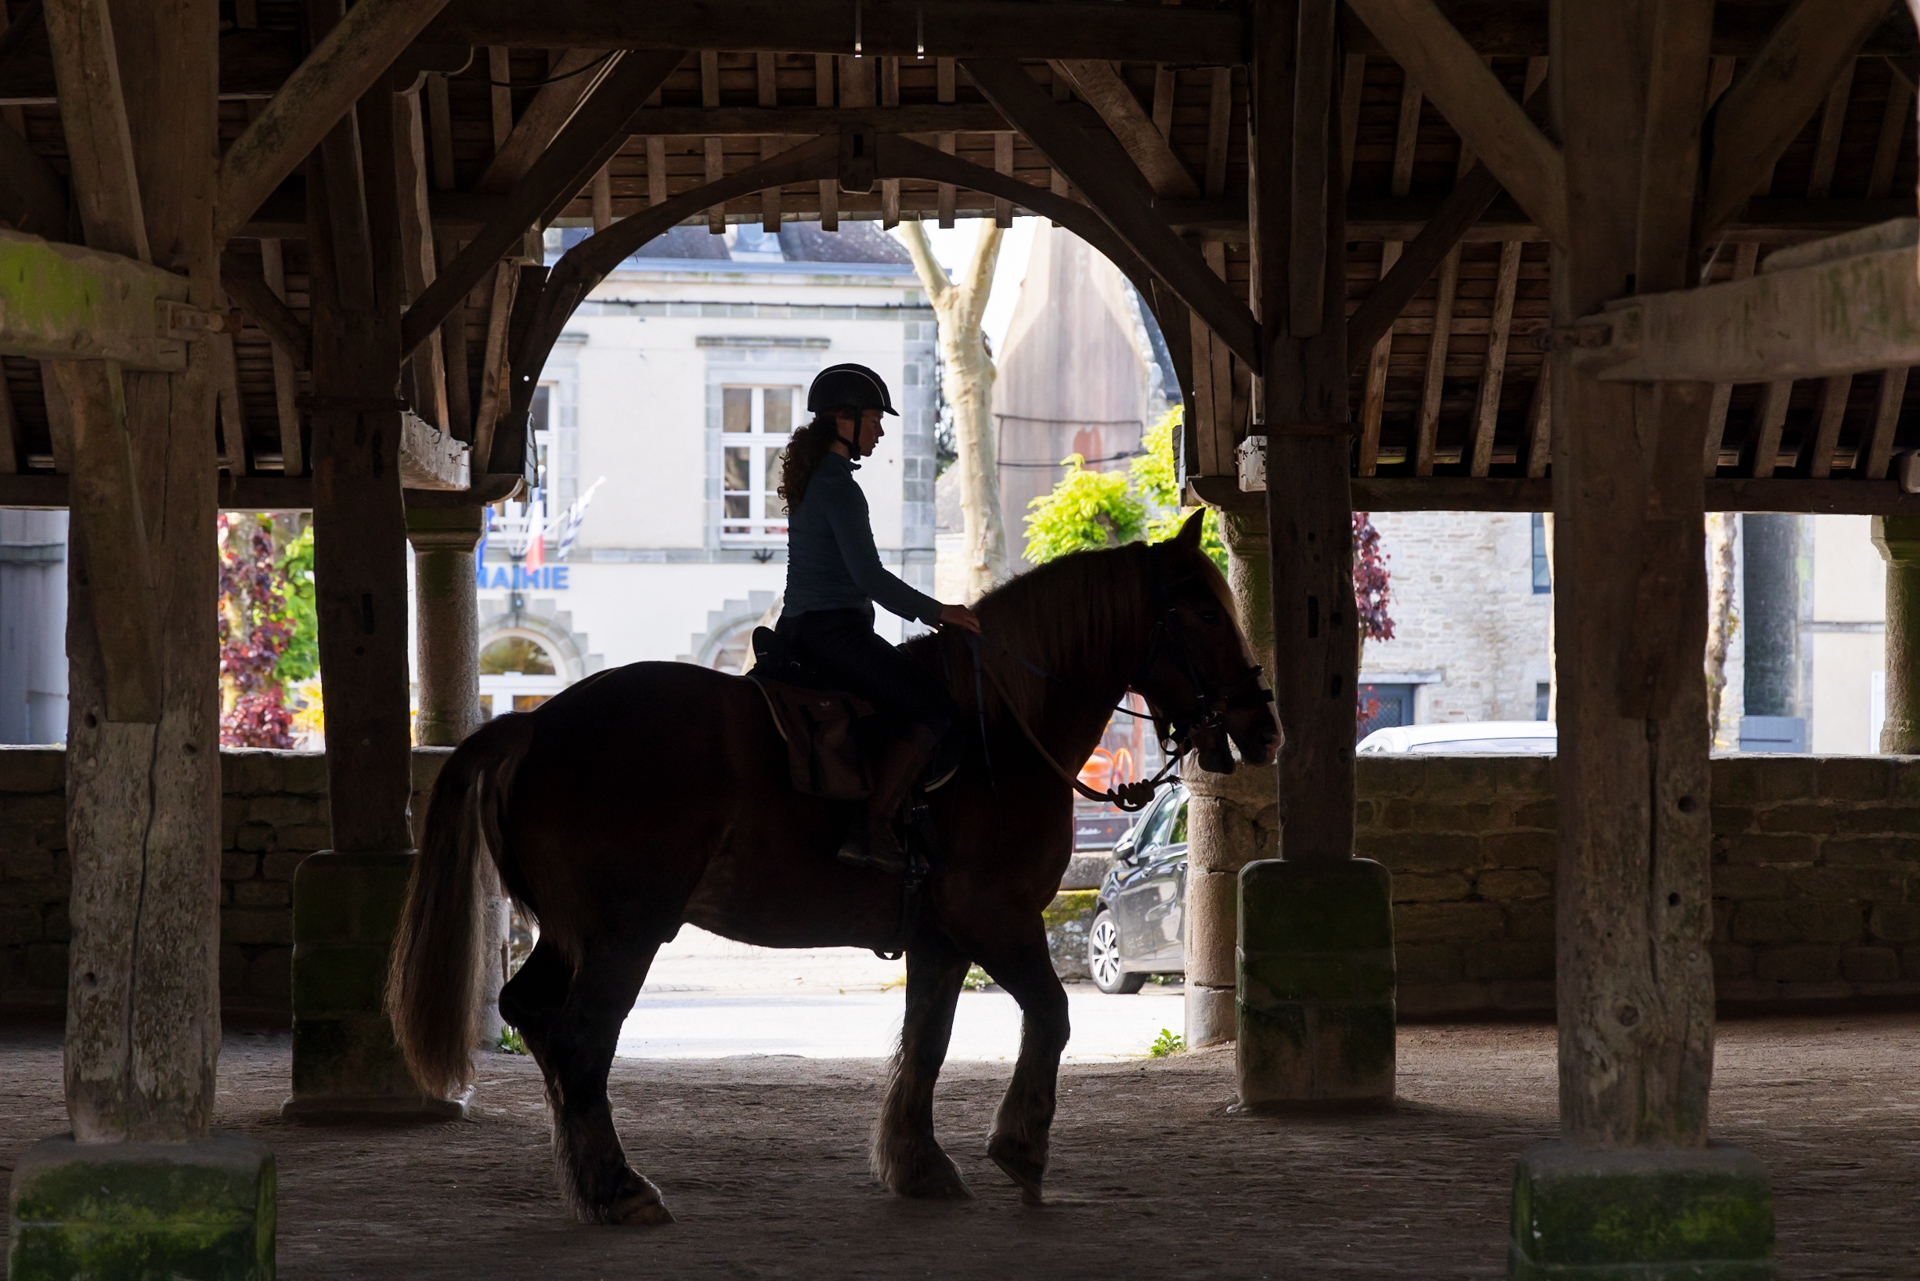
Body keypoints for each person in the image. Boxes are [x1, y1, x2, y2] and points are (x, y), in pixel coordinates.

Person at [776, 363, 981, 872]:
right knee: (934, 709)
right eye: (873, 418)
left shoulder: (817, 478)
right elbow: (870, 578)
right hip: (833, 633)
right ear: (843, 421)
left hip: (803, 630)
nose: (880, 429)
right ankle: (871, 828)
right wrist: (940, 613)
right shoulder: (838, 485)